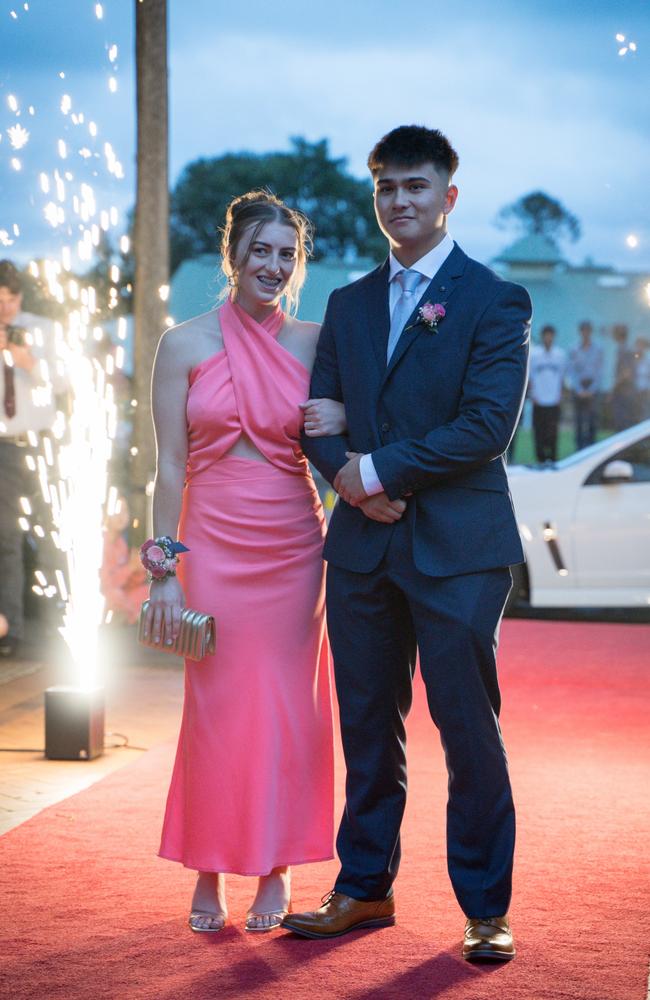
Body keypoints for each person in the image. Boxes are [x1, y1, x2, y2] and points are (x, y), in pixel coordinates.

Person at [282, 125, 531, 963]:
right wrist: (348, 475)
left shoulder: (494, 300)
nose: (401, 201)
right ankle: (364, 888)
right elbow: (317, 417)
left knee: (467, 729)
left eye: (416, 187)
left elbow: (486, 427)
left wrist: (373, 469)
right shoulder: (349, 305)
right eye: (387, 187)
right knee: (366, 728)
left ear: (448, 196)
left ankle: (487, 907)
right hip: (360, 551)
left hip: (459, 549)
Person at [143, 191, 343, 934]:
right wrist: (163, 570)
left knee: (288, 708)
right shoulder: (184, 344)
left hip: (293, 543)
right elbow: (168, 466)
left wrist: (344, 416)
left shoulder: (317, 343)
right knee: (217, 708)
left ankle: (276, 869)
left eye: (287, 255)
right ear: (233, 256)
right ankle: (207, 867)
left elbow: (355, 421)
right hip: (213, 543)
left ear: (297, 267)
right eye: (260, 251)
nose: (274, 264)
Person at [0, 260, 67, 658]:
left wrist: (25, 359)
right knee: (5, 539)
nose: (4, 307)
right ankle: (11, 630)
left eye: (9, 299)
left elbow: (64, 381)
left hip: (44, 444)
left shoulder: (42, 330)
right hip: (3, 446)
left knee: (51, 536)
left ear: (20, 297)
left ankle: (60, 624)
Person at [100, 496, 148, 625]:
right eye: (117, 510)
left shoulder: (121, 542)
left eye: (125, 510)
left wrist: (139, 569)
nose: (122, 515)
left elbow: (130, 584)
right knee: (115, 596)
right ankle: (132, 617)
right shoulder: (101, 543)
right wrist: (130, 568)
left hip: (123, 594)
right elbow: (106, 586)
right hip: (107, 597)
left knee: (151, 591)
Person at [529, 324, 566, 463]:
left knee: (552, 433)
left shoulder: (560, 355)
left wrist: (560, 396)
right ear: (542, 336)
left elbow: (562, 378)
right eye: (546, 335)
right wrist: (533, 396)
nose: (548, 338)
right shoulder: (534, 354)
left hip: (553, 400)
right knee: (539, 432)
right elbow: (530, 377)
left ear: (554, 336)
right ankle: (540, 459)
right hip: (539, 400)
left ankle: (553, 459)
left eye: (551, 335)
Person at [567, 320, 603, 450]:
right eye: (584, 330)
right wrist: (579, 390)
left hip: (593, 390)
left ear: (591, 332)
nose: (586, 333)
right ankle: (579, 451)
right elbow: (571, 371)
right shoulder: (574, 348)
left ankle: (592, 451)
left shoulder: (598, 349)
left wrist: (591, 390)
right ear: (580, 332)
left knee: (593, 422)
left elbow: (599, 371)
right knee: (579, 423)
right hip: (579, 389)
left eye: (588, 330)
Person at [610, 324, 637, 431]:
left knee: (624, 423)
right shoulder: (622, 349)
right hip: (623, 391)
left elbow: (627, 373)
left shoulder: (625, 350)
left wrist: (613, 387)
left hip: (624, 391)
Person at [633, 336, 650, 422]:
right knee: (636, 415)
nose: (639, 348)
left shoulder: (648, 359)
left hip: (645, 392)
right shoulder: (634, 358)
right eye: (638, 345)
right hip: (634, 392)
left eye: (641, 345)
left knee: (645, 415)